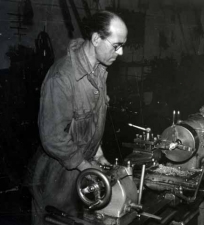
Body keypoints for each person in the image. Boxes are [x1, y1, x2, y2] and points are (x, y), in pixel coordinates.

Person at [27, 10, 128, 224]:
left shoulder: (99, 72)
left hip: (80, 171)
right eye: (116, 46)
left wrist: (99, 156)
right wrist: (85, 165)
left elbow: (91, 120)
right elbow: (52, 136)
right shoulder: (62, 78)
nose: (120, 53)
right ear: (96, 39)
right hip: (56, 177)